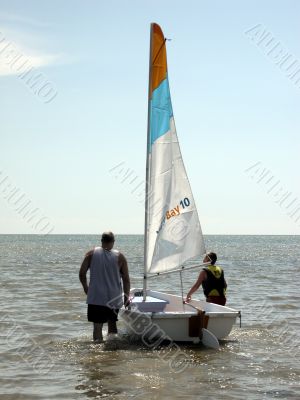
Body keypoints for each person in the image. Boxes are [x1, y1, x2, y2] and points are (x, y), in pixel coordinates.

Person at [79, 231, 130, 342]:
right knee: (112, 324)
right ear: (113, 242)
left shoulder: (91, 254)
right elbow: (126, 279)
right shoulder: (120, 257)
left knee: (97, 327)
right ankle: (112, 351)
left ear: (101, 241)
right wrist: (126, 297)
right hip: (113, 298)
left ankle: (97, 351)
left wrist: (86, 288)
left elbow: (82, 273)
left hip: (96, 297)